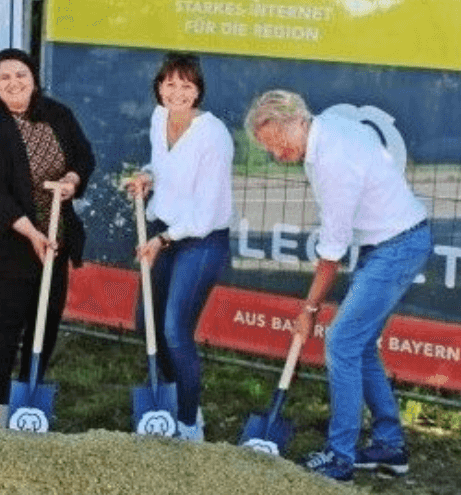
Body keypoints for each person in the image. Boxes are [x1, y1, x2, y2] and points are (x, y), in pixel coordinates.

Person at [245, 90, 430, 482]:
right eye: (268, 147)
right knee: (358, 345)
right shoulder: (323, 133)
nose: (277, 154)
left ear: (296, 120)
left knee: (342, 343)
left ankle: (340, 458)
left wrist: (309, 310)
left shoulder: (332, 159)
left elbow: (331, 252)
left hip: (396, 245)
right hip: (386, 241)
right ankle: (389, 446)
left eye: (277, 141)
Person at [0, 48, 95, 428]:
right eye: (4, 77)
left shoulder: (57, 115)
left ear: (34, 78)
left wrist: (72, 180)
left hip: (57, 237)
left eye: (21, 75)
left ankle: (30, 388)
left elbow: (84, 157)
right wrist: (33, 234)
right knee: (8, 320)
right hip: (8, 242)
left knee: (49, 317)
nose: (14, 83)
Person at [123, 52, 233, 441]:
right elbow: (161, 166)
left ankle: (189, 422)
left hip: (200, 240)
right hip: (163, 229)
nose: (177, 92)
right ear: (159, 87)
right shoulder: (159, 117)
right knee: (146, 323)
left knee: (173, 328)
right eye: (170, 83)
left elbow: (203, 217)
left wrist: (162, 239)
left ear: (198, 90)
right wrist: (146, 178)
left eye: (186, 85)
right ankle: (169, 400)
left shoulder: (213, 136)